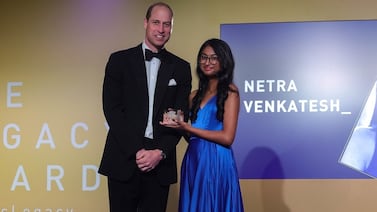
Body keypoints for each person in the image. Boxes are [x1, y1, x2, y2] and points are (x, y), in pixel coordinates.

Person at [98, 2, 192, 212]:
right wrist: (138, 151)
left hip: (160, 164)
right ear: (145, 23)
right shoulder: (119, 61)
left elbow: (177, 116)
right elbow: (112, 110)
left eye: (166, 24)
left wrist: (159, 152)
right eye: (156, 22)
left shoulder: (181, 68)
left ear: (172, 27)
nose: (161, 29)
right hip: (123, 160)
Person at [161, 38, 244, 212]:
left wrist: (188, 127)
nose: (208, 62)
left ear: (224, 61)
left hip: (217, 161)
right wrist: (176, 123)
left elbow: (227, 137)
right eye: (204, 57)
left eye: (214, 58)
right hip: (194, 159)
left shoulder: (230, 92)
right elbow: (189, 133)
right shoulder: (193, 96)